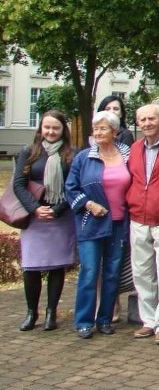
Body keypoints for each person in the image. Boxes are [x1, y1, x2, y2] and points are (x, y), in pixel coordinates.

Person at [65, 110, 132, 339]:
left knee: (112, 273)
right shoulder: (84, 157)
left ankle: (104, 319)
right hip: (91, 222)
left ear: (114, 131)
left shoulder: (126, 155)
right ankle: (84, 321)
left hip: (119, 223)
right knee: (90, 271)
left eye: (103, 128)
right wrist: (88, 204)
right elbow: (70, 188)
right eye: (96, 129)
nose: (98, 132)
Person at [13, 110, 76, 331]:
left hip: (60, 217)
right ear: (40, 129)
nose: (50, 131)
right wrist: (36, 209)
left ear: (63, 131)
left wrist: (56, 210)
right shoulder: (29, 152)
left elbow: (73, 187)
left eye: (55, 128)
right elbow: (18, 184)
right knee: (31, 267)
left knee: (56, 267)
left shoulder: (71, 154)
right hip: (34, 219)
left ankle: (51, 313)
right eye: (46, 127)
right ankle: (32, 312)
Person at [127, 104, 159, 344]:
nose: (147, 123)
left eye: (151, 119)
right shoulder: (135, 148)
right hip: (138, 217)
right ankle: (148, 320)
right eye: (142, 119)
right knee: (142, 273)